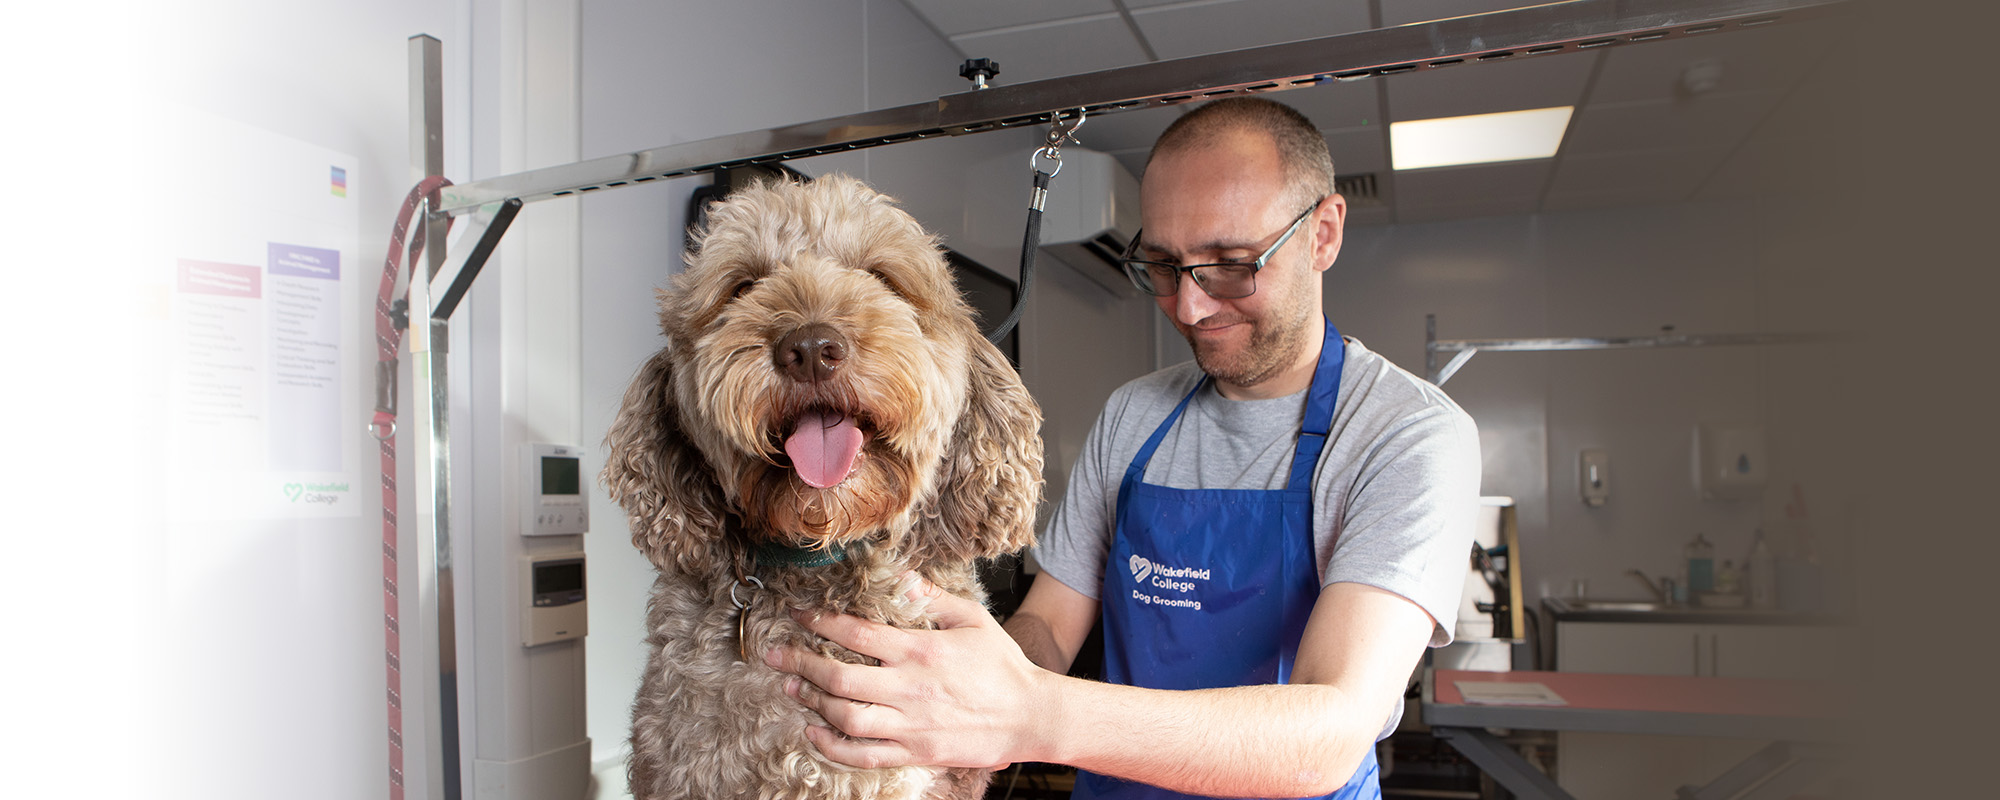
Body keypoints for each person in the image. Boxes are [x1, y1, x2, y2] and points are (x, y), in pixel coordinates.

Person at [764, 97, 1481, 799]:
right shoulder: (1136, 416)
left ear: (1323, 233)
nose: (1191, 308)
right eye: (1165, 267)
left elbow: (1326, 733)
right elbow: (1048, 624)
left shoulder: (1405, 435)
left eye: (1231, 263)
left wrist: (1032, 715)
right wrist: (947, 688)